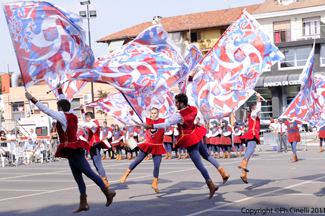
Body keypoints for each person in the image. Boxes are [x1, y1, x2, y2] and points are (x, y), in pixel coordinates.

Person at [25, 84, 115, 213]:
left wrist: (32, 98)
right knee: (78, 178)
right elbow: (63, 101)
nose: (57, 109)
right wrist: (60, 90)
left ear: (61, 108)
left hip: (73, 149)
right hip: (71, 150)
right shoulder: (71, 112)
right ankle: (84, 203)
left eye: (58, 107)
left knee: (89, 173)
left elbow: (46, 110)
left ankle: (107, 192)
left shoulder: (63, 116)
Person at [142, 93, 230, 199]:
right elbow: (189, 94)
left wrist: (150, 125)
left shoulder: (179, 115)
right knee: (206, 155)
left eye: (176, 102)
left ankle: (211, 185)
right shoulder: (192, 108)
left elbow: (166, 124)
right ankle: (223, 173)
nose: (175, 104)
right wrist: (190, 78)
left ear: (182, 103)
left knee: (199, 164)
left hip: (189, 139)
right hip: (195, 134)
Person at [120, 108, 167, 193]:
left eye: (155, 113)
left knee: (157, 166)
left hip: (157, 146)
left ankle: (154, 184)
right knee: (138, 160)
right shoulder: (147, 120)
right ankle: (125, 175)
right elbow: (137, 120)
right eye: (152, 113)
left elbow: (172, 122)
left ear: (158, 113)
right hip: (148, 144)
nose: (153, 114)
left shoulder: (163, 121)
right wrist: (131, 111)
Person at [80, 106, 111, 188]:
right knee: (95, 164)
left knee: (98, 164)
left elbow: (85, 124)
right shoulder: (92, 121)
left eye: (86, 118)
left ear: (89, 118)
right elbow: (85, 120)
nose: (85, 119)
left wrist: (73, 121)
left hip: (95, 144)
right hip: (93, 144)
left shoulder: (93, 123)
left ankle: (105, 181)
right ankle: (102, 180)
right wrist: (82, 110)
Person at [239, 92, 268, 184]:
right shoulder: (253, 114)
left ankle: (244, 173)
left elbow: (264, 122)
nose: (257, 109)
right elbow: (258, 109)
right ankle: (243, 164)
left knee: (248, 152)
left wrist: (274, 120)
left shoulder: (255, 117)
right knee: (250, 151)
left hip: (250, 134)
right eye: (255, 107)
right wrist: (258, 98)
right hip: (252, 134)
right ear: (252, 109)